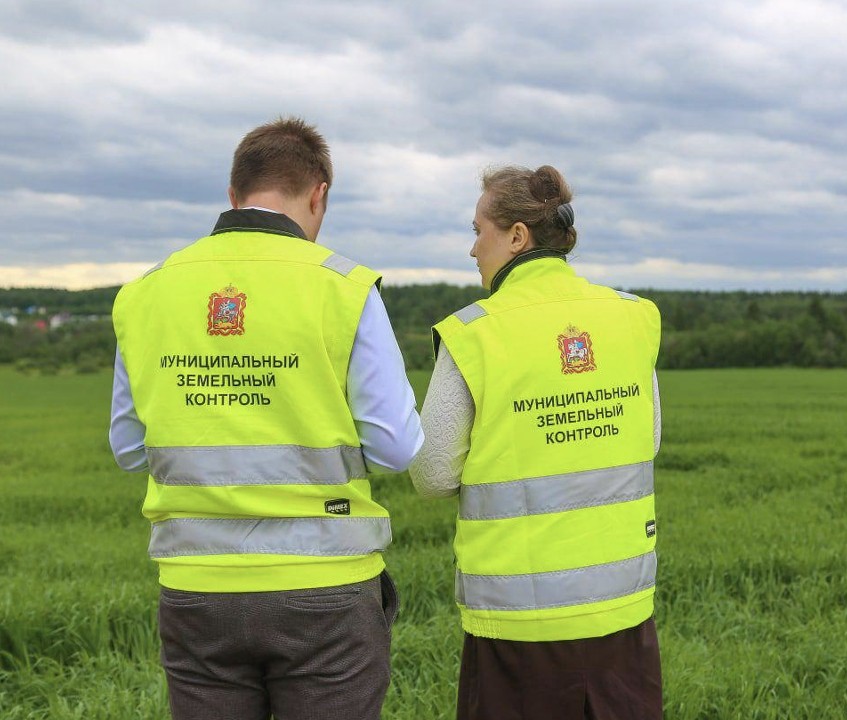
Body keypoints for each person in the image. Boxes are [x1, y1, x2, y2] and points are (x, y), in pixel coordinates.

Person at [109, 117, 423, 720]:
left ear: (233, 196)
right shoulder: (346, 287)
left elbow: (127, 447)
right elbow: (397, 449)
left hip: (197, 590)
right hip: (327, 589)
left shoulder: (146, 292)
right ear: (318, 194)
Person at [409, 165, 663, 719]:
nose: (473, 248)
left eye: (479, 230)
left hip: (518, 621)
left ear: (518, 236)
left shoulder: (474, 332)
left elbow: (430, 475)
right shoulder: (631, 317)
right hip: (623, 612)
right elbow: (649, 438)